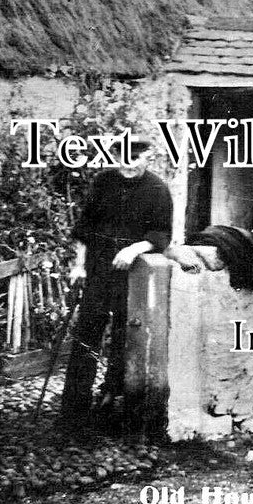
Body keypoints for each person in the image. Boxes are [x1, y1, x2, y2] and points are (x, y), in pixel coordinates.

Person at [61, 136, 173, 433]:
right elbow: (85, 228)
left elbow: (161, 235)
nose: (128, 163)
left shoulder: (158, 190)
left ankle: (115, 400)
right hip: (98, 267)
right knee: (87, 331)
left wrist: (135, 248)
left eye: (135, 157)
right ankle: (74, 408)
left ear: (148, 157)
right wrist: (79, 266)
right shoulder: (103, 182)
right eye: (122, 156)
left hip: (133, 272)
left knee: (127, 335)